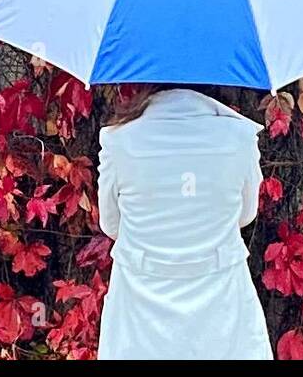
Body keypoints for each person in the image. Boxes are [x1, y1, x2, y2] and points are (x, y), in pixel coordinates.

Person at [96, 84, 273, 360]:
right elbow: (245, 215)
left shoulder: (118, 140)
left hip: (139, 306)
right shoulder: (240, 138)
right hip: (222, 303)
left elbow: (111, 224)